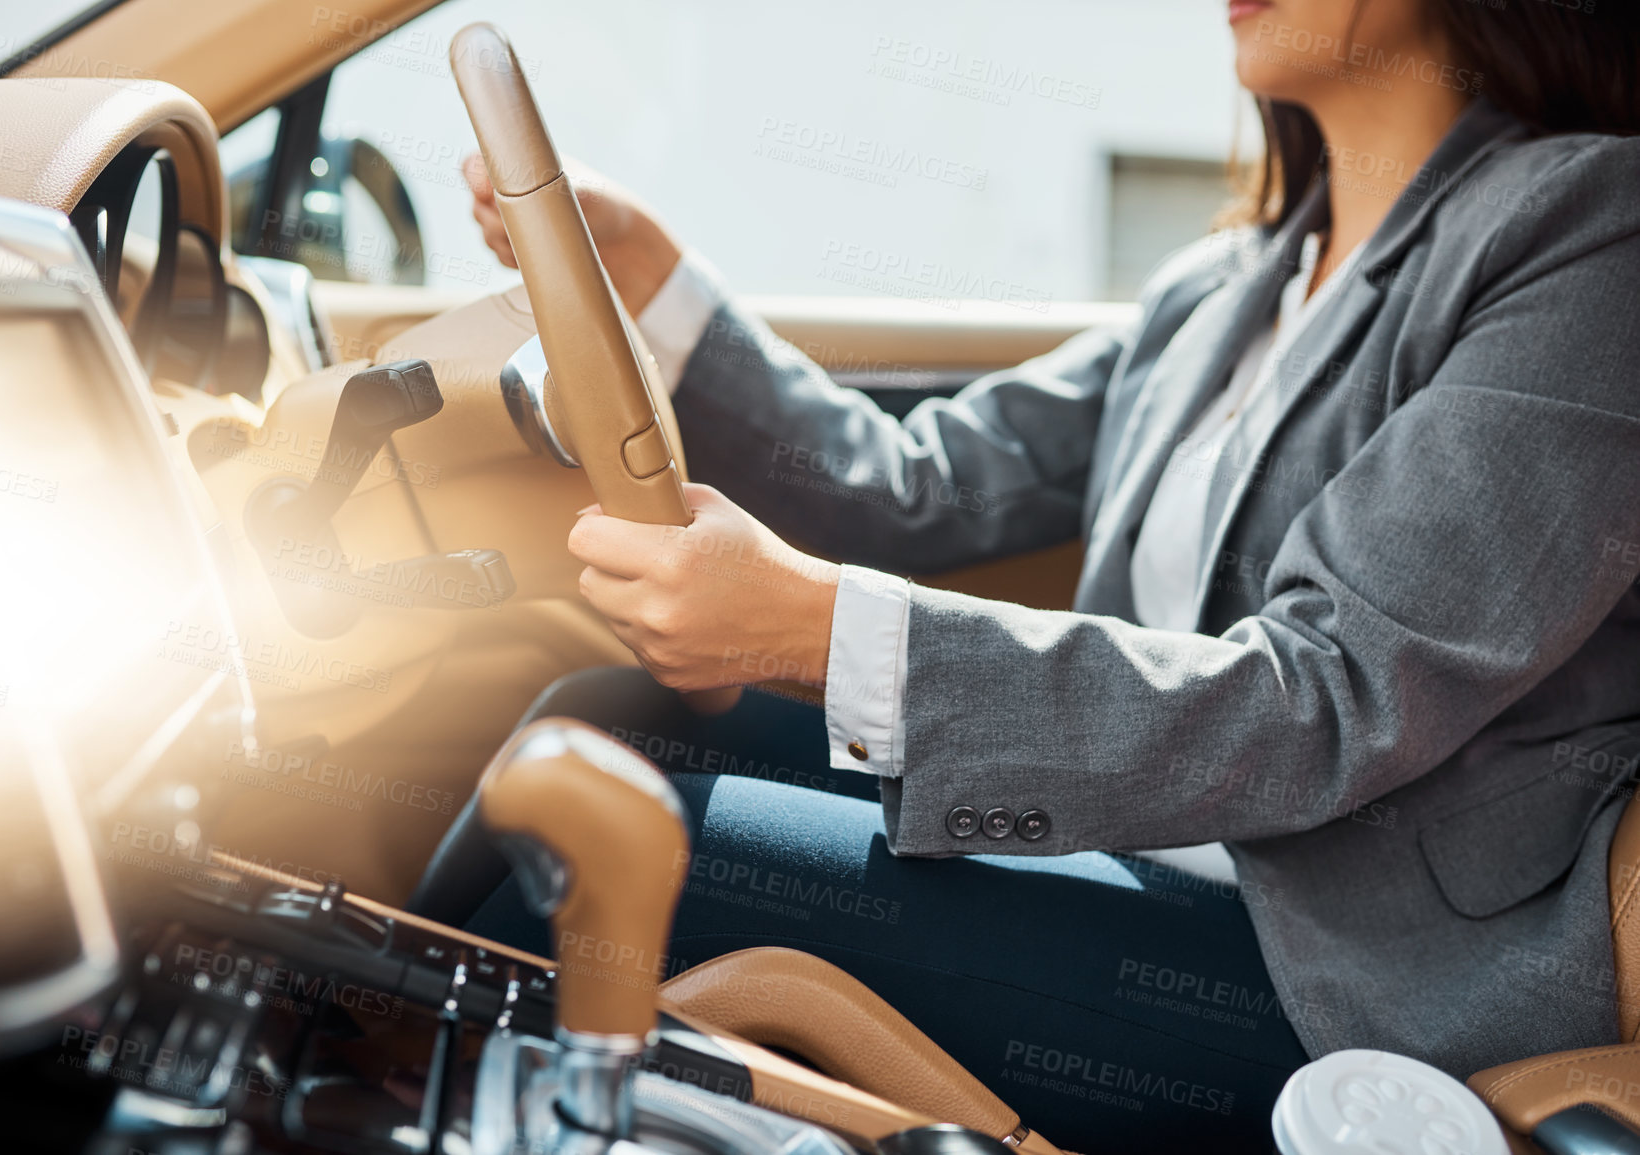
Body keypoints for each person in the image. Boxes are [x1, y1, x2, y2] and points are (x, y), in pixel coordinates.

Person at [411, 2, 1640, 1150]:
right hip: (1142, 844)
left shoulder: (1588, 227)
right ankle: (335, 1062)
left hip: (1349, 970)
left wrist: (820, 631)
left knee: (648, 854)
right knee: (603, 722)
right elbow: (916, 488)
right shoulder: (1228, 285)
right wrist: (656, 286)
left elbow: (1329, 693)